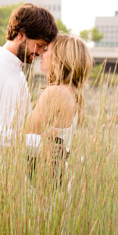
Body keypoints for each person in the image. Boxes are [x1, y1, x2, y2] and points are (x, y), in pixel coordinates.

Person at [0, 3, 58, 184]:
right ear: (21, 35)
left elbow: (22, 130)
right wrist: (30, 143)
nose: (39, 53)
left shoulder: (19, 76)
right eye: (38, 45)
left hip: (12, 183)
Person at [25, 34, 93, 184]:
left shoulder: (55, 92)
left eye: (46, 49)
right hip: (60, 175)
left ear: (60, 58)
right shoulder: (73, 93)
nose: (41, 53)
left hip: (43, 177)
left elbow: (27, 136)